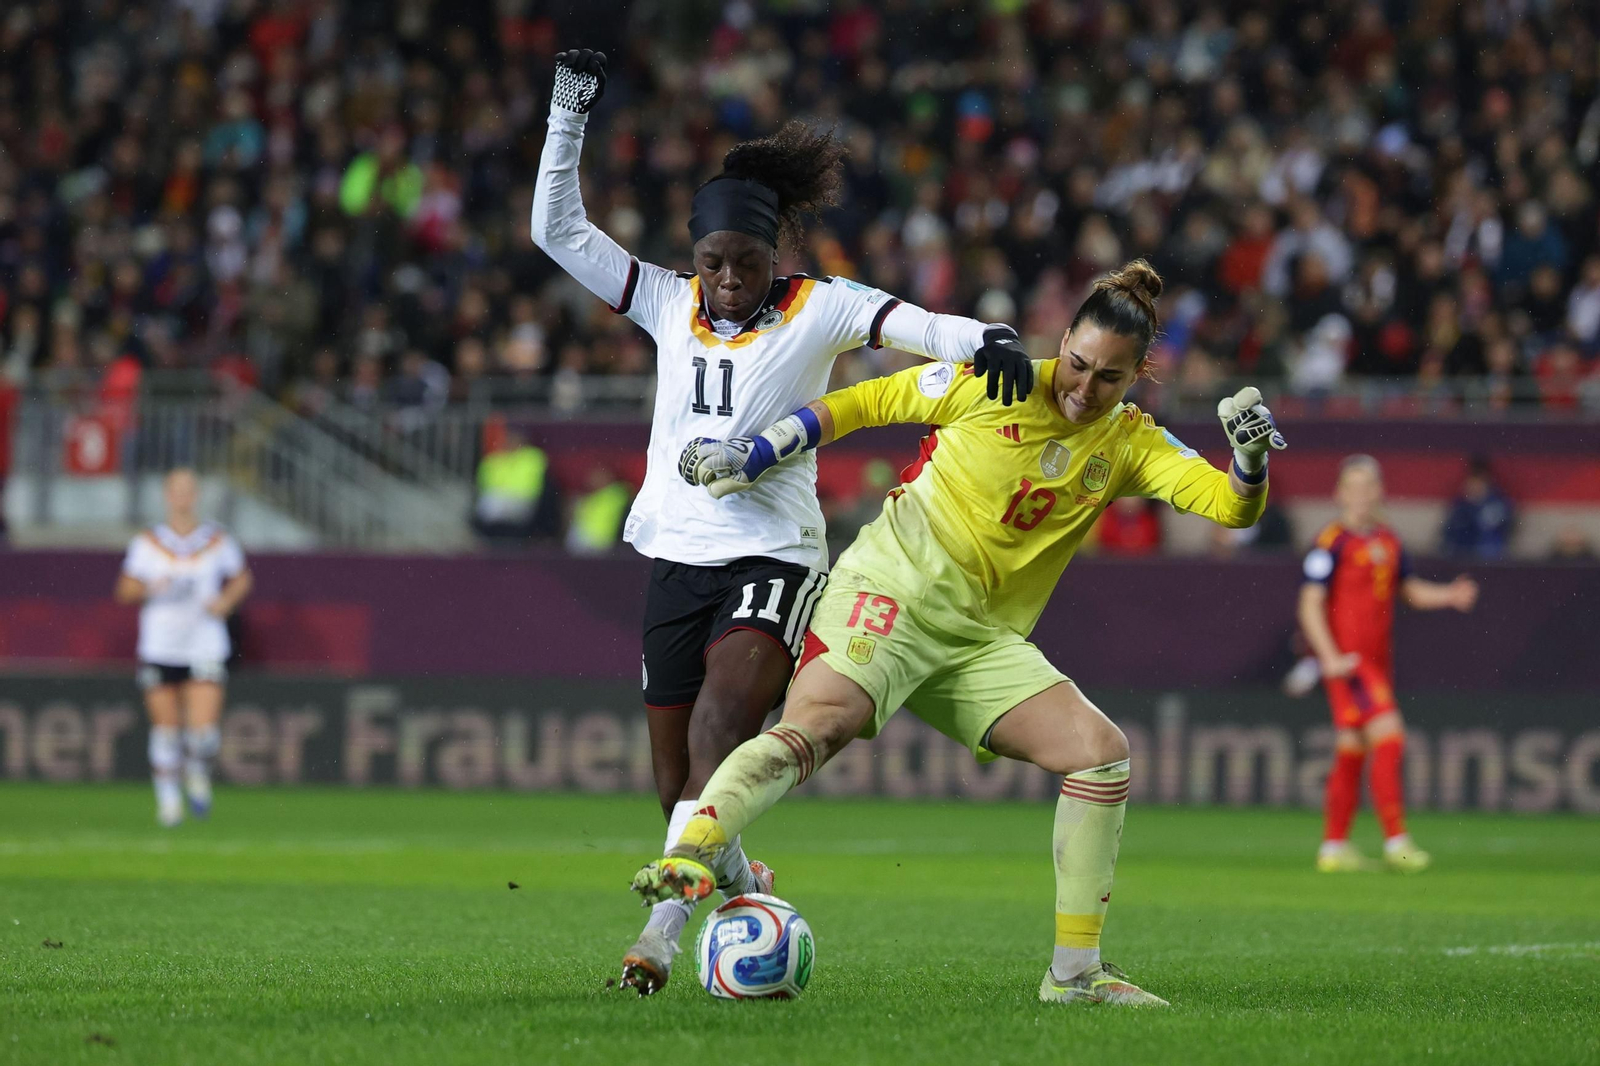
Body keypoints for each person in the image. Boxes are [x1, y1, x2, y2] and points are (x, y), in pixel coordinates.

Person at [636, 261, 1284, 1008]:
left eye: (1109, 377)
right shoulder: (997, 382)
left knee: (1100, 754)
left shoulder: (1132, 442)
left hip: (979, 640)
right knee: (821, 724)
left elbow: (1231, 506)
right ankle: (693, 856)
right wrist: (761, 450)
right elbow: (866, 401)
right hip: (889, 592)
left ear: (1139, 375)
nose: (1084, 387)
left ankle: (1074, 976)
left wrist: (1249, 462)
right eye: (1078, 364)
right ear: (1063, 341)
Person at [530, 49, 1034, 995]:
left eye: (747, 263)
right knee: (676, 781)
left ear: (777, 258)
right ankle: (743, 883)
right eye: (713, 262)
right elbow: (556, 229)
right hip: (675, 554)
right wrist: (569, 112)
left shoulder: (818, 307)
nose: (728, 280)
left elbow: (915, 325)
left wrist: (987, 339)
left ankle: (658, 939)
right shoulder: (665, 300)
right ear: (694, 258)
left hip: (775, 556)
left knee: (723, 727)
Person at [1297, 456, 1478, 874]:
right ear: (1339, 494)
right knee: (1390, 737)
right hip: (1350, 664)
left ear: (1379, 492)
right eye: (1353, 487)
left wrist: (1448, 596)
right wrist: (1330, 658)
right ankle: (1397, 841)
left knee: (1352, 749)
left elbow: (1408, 591)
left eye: (1368, 487)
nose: (1361, 495)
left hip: (1378, 663)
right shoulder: (1330, 542)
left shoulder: (1389, 540)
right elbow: (1309, 603)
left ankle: (1333, 847)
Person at [114, 469, 253, 827]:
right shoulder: (148, 542)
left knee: (203, 734)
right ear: (167, 495)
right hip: (160, 646)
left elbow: (241, 578)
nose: (183, 497)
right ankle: (169, 802)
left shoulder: (216, 539)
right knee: (166, 730)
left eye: (189, 490)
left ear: (196, 495)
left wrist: (225, 602)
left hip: (204, 644)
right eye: (177, 490)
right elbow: (125, 589)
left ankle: (197, 772)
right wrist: (151, 587)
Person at [1440, 455, 1515, 559]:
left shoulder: (1497, 503)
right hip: (1461, 556)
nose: (1475, 486)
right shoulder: (1460, 503)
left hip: (1488, 558)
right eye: (1473, 481)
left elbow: (1502, 529)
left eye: (1479, 481)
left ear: (1487, 482)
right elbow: (1449, 532)